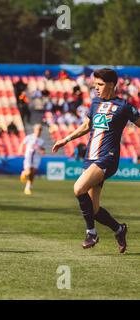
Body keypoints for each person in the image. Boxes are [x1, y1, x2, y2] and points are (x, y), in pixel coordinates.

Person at [52, 68, 140, 253]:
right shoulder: (95, 103)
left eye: (99, 85)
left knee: (78, 188)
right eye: (95, 85)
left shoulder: (124, 106)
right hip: (90, 158)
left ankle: (91, 232)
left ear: (110, 84)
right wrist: (66, 139)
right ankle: (119, 229)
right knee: (93, 209)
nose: (96, 88)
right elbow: (87, 126)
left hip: (108, 158)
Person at [18, 124, 45, 195]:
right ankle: (24, 173)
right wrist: (20, 150)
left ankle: (27, 188)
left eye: (40, 129)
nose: (39, 131)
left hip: (36, 158)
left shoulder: (41, 141)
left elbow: (42, 149)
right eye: (38, 129)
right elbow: (22, 143)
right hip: (28, 157)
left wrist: (42, 151)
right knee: (29, 172)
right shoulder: (29, 137)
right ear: (34, 129)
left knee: (32, 173)